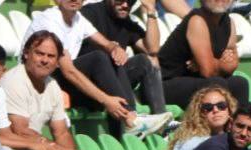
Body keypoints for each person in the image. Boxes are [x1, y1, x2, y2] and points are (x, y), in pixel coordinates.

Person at [21, 0, 171, 139]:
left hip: (66, 82)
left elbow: (108, 44)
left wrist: (115, 48)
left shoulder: (79, 19)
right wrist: (106, 100)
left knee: (119, 58)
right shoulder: (50, 20)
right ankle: (130, 119)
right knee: (98, 58)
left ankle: (133, 120)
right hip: (42, 83)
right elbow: (68, 71)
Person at [0, 31, 87, 150]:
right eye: (40, 53)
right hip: (10, 148)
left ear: (57, 61)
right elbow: (20, 130)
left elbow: (61, 131)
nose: (45, 60)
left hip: (34, 147)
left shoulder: (52, 86)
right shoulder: (14, 81)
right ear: (26, 53)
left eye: (51, 56)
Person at [80, 0, 167, 119]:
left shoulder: (126, 23)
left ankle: (161, 117)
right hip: (89, 83)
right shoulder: (90, 12)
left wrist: (151, 11)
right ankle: (133, 119)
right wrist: (110, 48)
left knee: (145, 61)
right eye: (121, 0)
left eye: (130, 1)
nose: (125, 5)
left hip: (116, 79)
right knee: (105, 58)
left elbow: (152, 49)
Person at [157, 0, 248, 109]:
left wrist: (208, 62)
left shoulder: (229, 22)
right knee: (215, 84)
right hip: (163, 85)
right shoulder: (197, 21)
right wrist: (218, 63)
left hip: (195, 80)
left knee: (240, 83)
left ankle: (237, 124)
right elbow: (208, 72)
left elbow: (232, 65)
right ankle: (210, 126)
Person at [164, 84, 235, 150]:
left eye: (221, 106)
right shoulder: (192, 143)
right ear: (200, 113)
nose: (215, 110)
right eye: (208, 107)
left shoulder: (233, 141)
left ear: (229, 110)